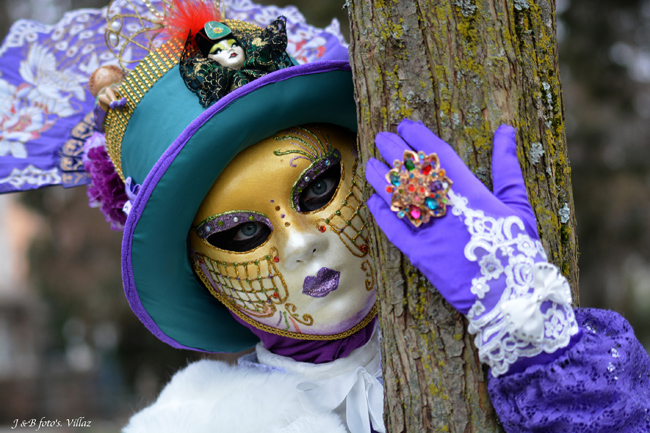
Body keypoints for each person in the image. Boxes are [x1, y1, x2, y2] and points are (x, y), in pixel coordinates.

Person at [1, 1, 649, 432]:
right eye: (241, 232)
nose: (303, 242)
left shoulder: (501, 349)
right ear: (198, 270)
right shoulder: (198, 422)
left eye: (316, 187)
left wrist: (529, 323)